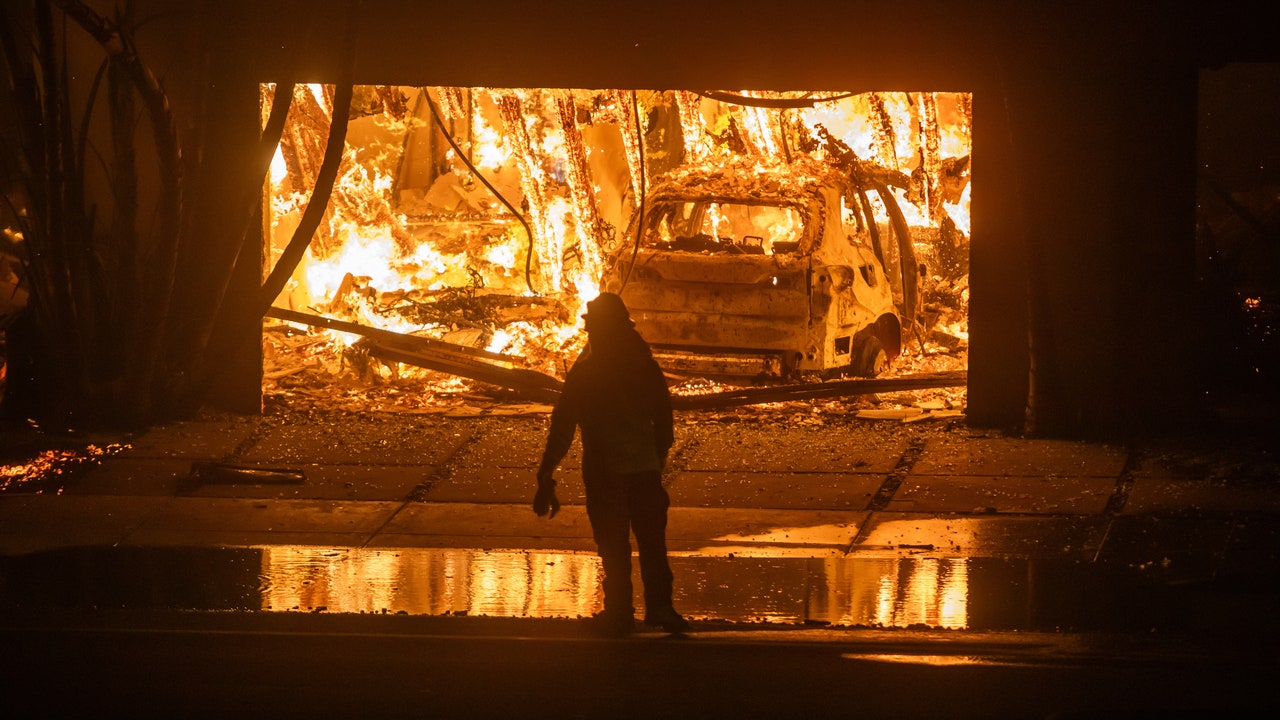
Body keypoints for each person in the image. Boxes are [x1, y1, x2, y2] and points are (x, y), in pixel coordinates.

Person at [533, 292, 689, 636]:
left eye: (592, 327)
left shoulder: (588, 368)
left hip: (606, 471)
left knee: (613, 545)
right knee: (650, 544)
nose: (589, 333)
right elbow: (664, 416)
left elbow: (564, 422)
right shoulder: (642, 362)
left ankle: (619, 611)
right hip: (643, 470)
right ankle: (659, 608)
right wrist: (657, 457)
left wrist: (547, 471)